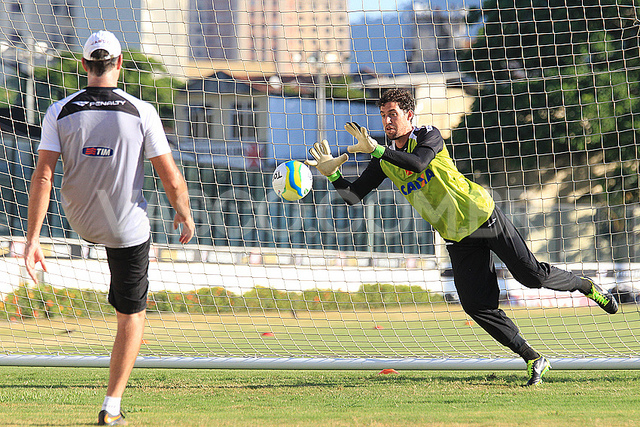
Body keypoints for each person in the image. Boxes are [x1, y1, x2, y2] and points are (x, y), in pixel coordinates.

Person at [306, 88, 618, 386]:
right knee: (475, 305)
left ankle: (586, 286)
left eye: (392, 114)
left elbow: (417, 164)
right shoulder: (384, 159)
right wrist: (333, 174)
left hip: (482, 217)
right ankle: (533, 358)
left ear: (409, 115)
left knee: (532, 277)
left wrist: (376, 149)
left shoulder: (427, 135)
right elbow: (353, 195)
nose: (387, 121)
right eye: (383, 116)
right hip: (456, 236)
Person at [24, 30, 195, 425]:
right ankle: (112, 407)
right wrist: (184, 215)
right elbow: (171, 178)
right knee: (131, 315)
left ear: (85, 66)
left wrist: (32, 239)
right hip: (123, 228)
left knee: (92, 207)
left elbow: (43, 177)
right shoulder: (141, 111)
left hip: (80, 219)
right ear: (119, 64)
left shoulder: (58, 111)